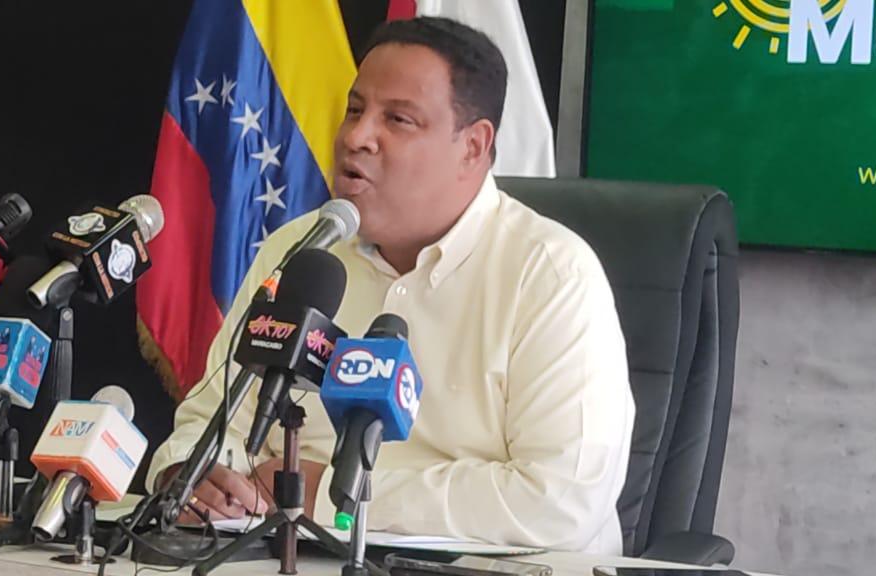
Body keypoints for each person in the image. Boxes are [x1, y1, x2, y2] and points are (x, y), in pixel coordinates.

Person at [145, 16, 635, 555]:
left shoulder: (551, 275)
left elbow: (559, 501)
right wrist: (189, 473)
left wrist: (332, 493)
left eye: (398, 119)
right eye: (355, 110)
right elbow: (210, 422)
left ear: (473, 146)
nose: (355, 137)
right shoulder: (302, 252)